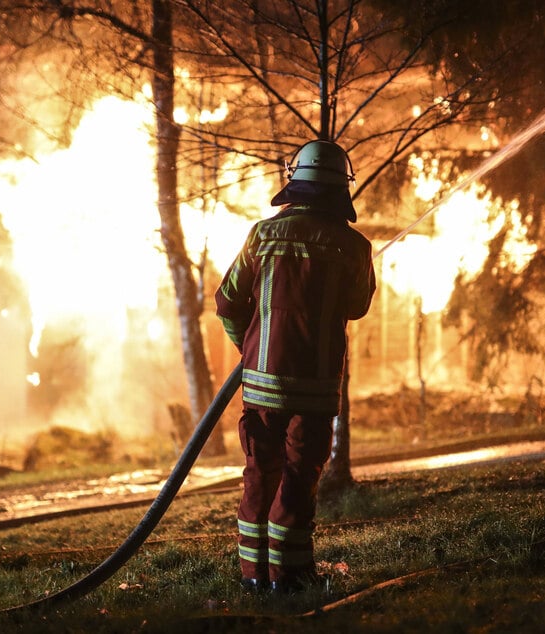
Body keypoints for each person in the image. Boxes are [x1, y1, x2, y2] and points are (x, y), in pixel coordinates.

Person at [214, 139, 376, 594]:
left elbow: (227, 301)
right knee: (298, 480)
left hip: (261, 387)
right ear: (341, 186)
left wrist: (249, 349)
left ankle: (253, 577)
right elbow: (358, 306)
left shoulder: (261, 236)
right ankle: (290, 578)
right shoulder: (355, 246)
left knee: (259, 475)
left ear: (295, 179)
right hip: (316, 389)